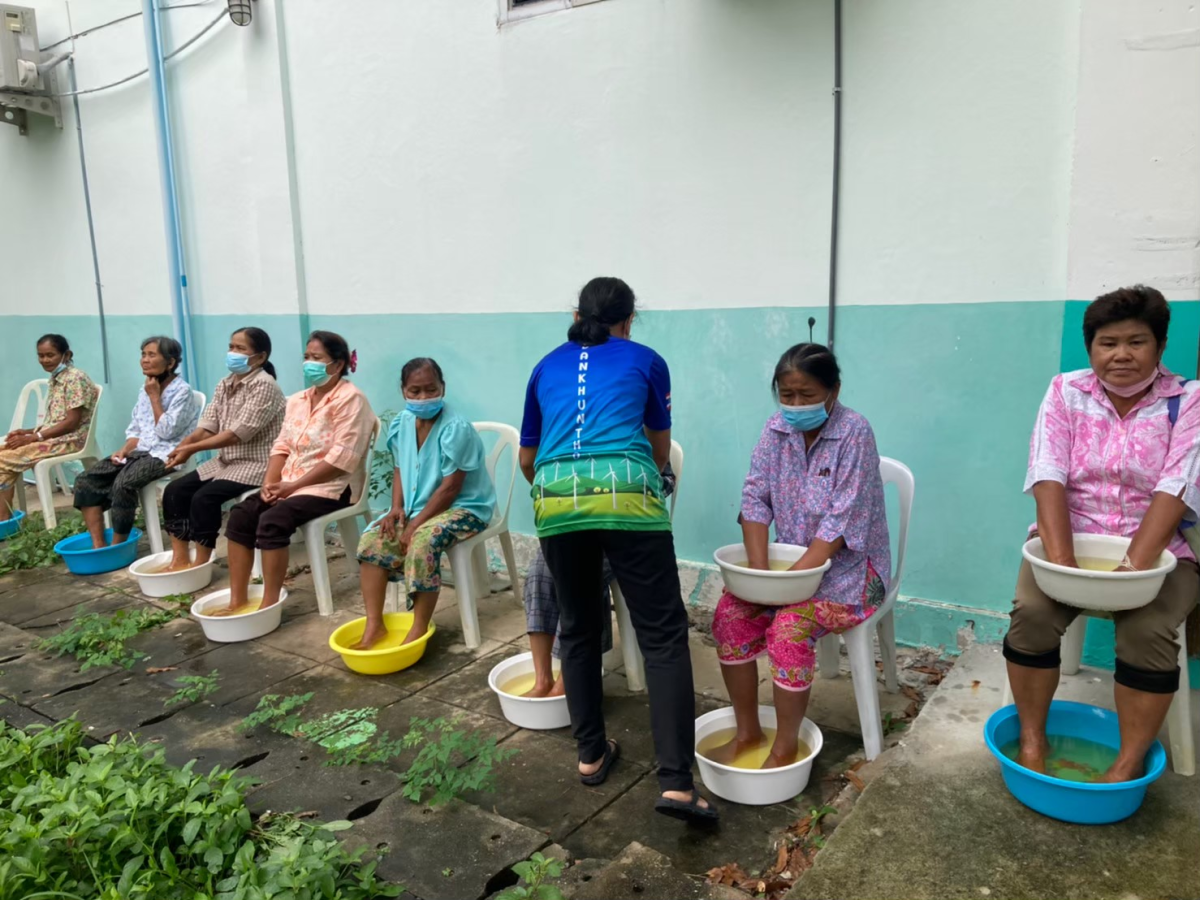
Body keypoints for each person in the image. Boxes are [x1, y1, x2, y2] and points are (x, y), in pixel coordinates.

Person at [519, 276, 716, 824]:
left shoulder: (544, 365)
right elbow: (658, 443)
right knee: (662, 637)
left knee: (578, 628)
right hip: (629, 499)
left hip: (556, 504)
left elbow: (527, 458)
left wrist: (562, 489)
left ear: (577, 312)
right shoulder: (647, 359)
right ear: (630, 319)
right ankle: (676, 784)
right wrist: (655, 474)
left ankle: (589, 757)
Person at [1004, 285, 1200, 782]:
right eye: (1107, 343)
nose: (1121, 355)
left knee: (1146, 632)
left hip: (1161, 555)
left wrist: (1132, 570)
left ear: (1159, 346)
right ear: (1091, 347)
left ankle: (1128, 760)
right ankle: (1031, 738)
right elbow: (1048, 470)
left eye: (1136, 342)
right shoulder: (1066, 391)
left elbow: (1177, 485)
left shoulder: (1188, 400)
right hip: (1069, 541)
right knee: (1031, 614)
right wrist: (1062, 564)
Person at [710, 343, 891, 768]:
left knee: (788, 630)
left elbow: (840, 526)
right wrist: (759, 576)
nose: (795, 406)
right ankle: (747, 731)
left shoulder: (855, 433)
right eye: (786, 396)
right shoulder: (776, 431)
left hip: (850, 574)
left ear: (834, 390)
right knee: (729, 617)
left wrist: (784, 586)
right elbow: (754, 501)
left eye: (806, 396)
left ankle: (785, 746)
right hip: (788, 572)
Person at [214, 331, 374, 616]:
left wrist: (292, 486)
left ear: (337, 365)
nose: (308, 363)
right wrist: (270, 482)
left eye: (317, 358)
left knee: (273, 521)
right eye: (306, 357)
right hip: (290, 483)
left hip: (333, 487)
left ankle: (269, 604)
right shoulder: (298, 400)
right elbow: (283, 444)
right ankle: (237, 600)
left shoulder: (351, 400)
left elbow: (342, 460)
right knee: (241, 514)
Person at [354, 358, 497, 649]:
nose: (423, 397)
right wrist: (397, 509)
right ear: (403, 391)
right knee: (373, 539)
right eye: (415, 391)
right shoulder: (402, 423)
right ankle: (374, 625)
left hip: (465, 508)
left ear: (442, 387)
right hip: (419, 507)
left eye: (431, 390)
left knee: (422, 542)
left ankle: (418, 628)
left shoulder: (455, 427)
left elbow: (451, 488)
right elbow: (399, 468)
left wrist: (415, 525)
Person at [521, 464, 675, 698]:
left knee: (579, 580)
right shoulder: (566, 432)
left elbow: (664, 479)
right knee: (539, 571)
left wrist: (619, 492)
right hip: (573, 524)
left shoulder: (638, 430)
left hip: (625, 528)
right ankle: (542, 679)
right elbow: (536, 469)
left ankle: (568, 680)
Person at [159, 327, 286, 572]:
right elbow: (208, 425)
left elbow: (235, 435)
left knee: (204, 498)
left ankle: (202, 561)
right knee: (175, 490)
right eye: (231, 347)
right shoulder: (225, 383)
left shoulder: (264, 386)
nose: (233, 353)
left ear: (259, 357)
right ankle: (180, 557)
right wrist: (184, 446)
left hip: (256, 465)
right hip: (226, 461)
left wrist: (192, 449)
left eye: (241, 348)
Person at [73, 337, 200, 549]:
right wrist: (124, 450)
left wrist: (155, 398)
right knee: (86, 479)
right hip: (140, 451)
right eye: (143, 354)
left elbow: (167, 432)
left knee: (124, 483)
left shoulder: (182, 391)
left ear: (170, 363)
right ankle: (98, 545)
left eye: (152, 355)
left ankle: (118, 545)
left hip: (167, 454)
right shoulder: (145, 389)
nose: (145, 360)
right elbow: (136, 429)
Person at [0, 334, 98, 519]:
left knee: (2, 460)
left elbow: (71, 423)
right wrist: (29, 431)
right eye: (41, 355)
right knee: (5, 453)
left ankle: (3, 518)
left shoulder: (75, 378)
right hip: (54, 437)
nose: (45, 360)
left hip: (70, 440)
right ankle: (4, 518)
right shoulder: (57, 378)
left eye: (50, 355)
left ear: (66, 355)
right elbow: (55, 420)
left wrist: (34, 437)